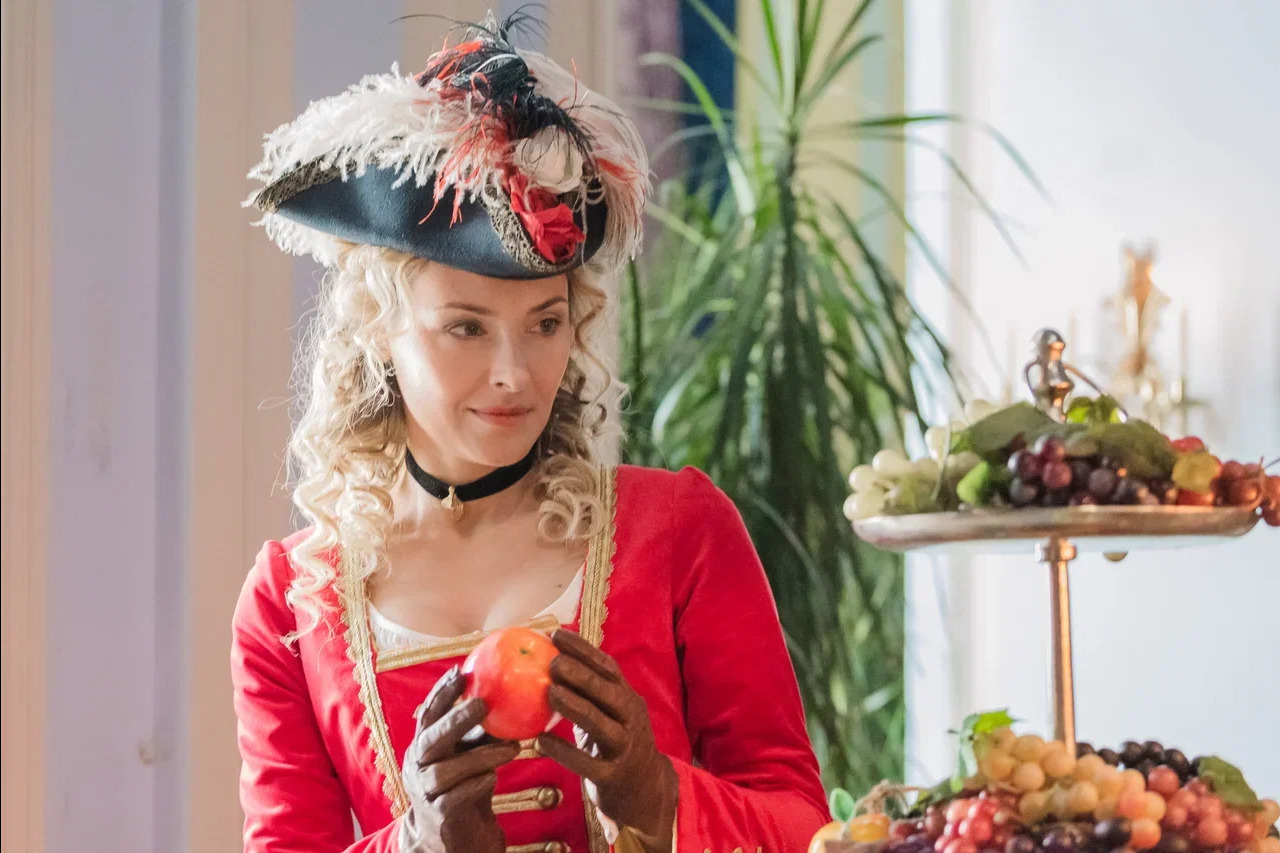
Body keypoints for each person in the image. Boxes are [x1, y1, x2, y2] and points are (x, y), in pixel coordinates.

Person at [231, 12, 829, 853]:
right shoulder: (290, 603)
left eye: (545, 323)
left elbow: (808, 828)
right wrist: (418, 842)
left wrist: (660, 797)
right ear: (377, 327)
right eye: (466, 328)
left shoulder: (682, 532)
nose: (514, 373)